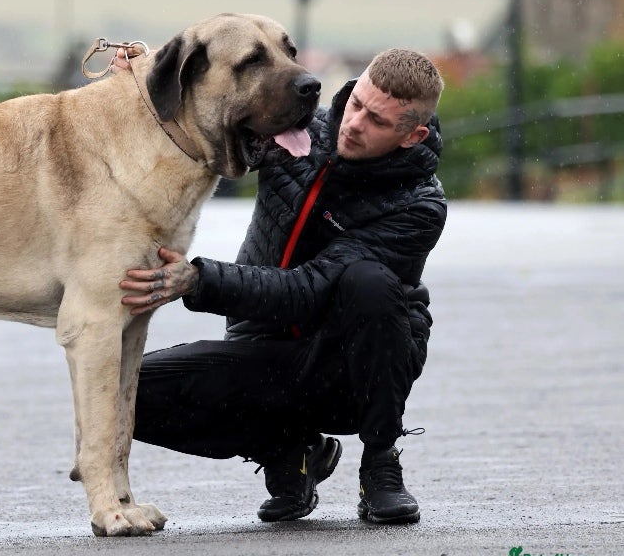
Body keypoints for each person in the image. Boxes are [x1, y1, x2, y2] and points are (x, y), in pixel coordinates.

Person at [118, 48, 447, 524]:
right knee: (122, 390)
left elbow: (308, 289)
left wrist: (197, 279)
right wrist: (144, 75)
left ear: (411, 135)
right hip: (265, 350)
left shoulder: (419, 205)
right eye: (356, 104)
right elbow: (200, 120)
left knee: (369, 282)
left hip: (350, 374)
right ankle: (288, 449)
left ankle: (380, 463)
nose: (354, 124)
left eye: (377, 121)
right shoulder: (296, 132)